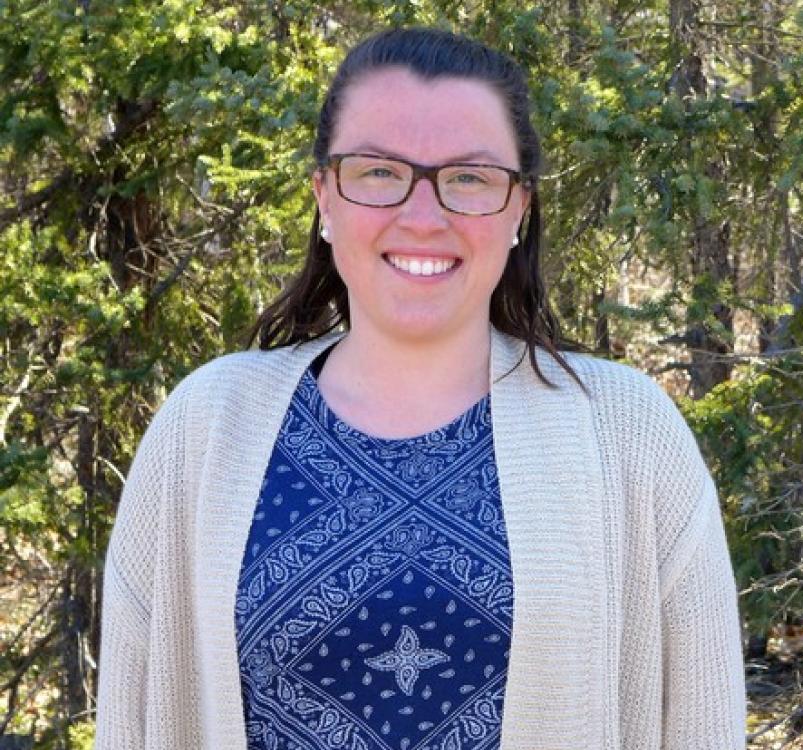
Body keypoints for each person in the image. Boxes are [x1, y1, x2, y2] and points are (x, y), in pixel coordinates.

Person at [95, 27, 746, 749]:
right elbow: (130, 721)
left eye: (469, 177)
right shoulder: (207, 427)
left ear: (519, 208)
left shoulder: (629, 435)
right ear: (324, 197)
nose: (423, 215)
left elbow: (704, 726)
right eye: (378, 171)